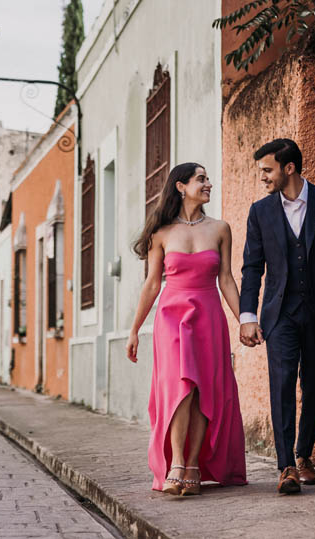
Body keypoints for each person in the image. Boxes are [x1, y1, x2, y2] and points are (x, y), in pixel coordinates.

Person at [239, 138, 315, 495]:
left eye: (267, 170)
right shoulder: (259, 212)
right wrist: (248, 314)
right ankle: (286, 466)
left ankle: (304, 455)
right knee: (282, 384)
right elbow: (251, 267)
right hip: (280, 314)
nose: (262, 177)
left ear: (288, 168)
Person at [127, 162, 247, 496]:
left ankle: (194, 463)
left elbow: (226, 279)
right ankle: (176, 462)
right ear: (181, 186)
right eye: (201, 179)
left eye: (208, 179)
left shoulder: (221, 228)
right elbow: (152, 284)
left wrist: (245, 321)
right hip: (170, 317)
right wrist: (135, 329)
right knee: (181, 389)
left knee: (205, 391)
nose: (209, 184)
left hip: (208, 315)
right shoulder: (161, 233)